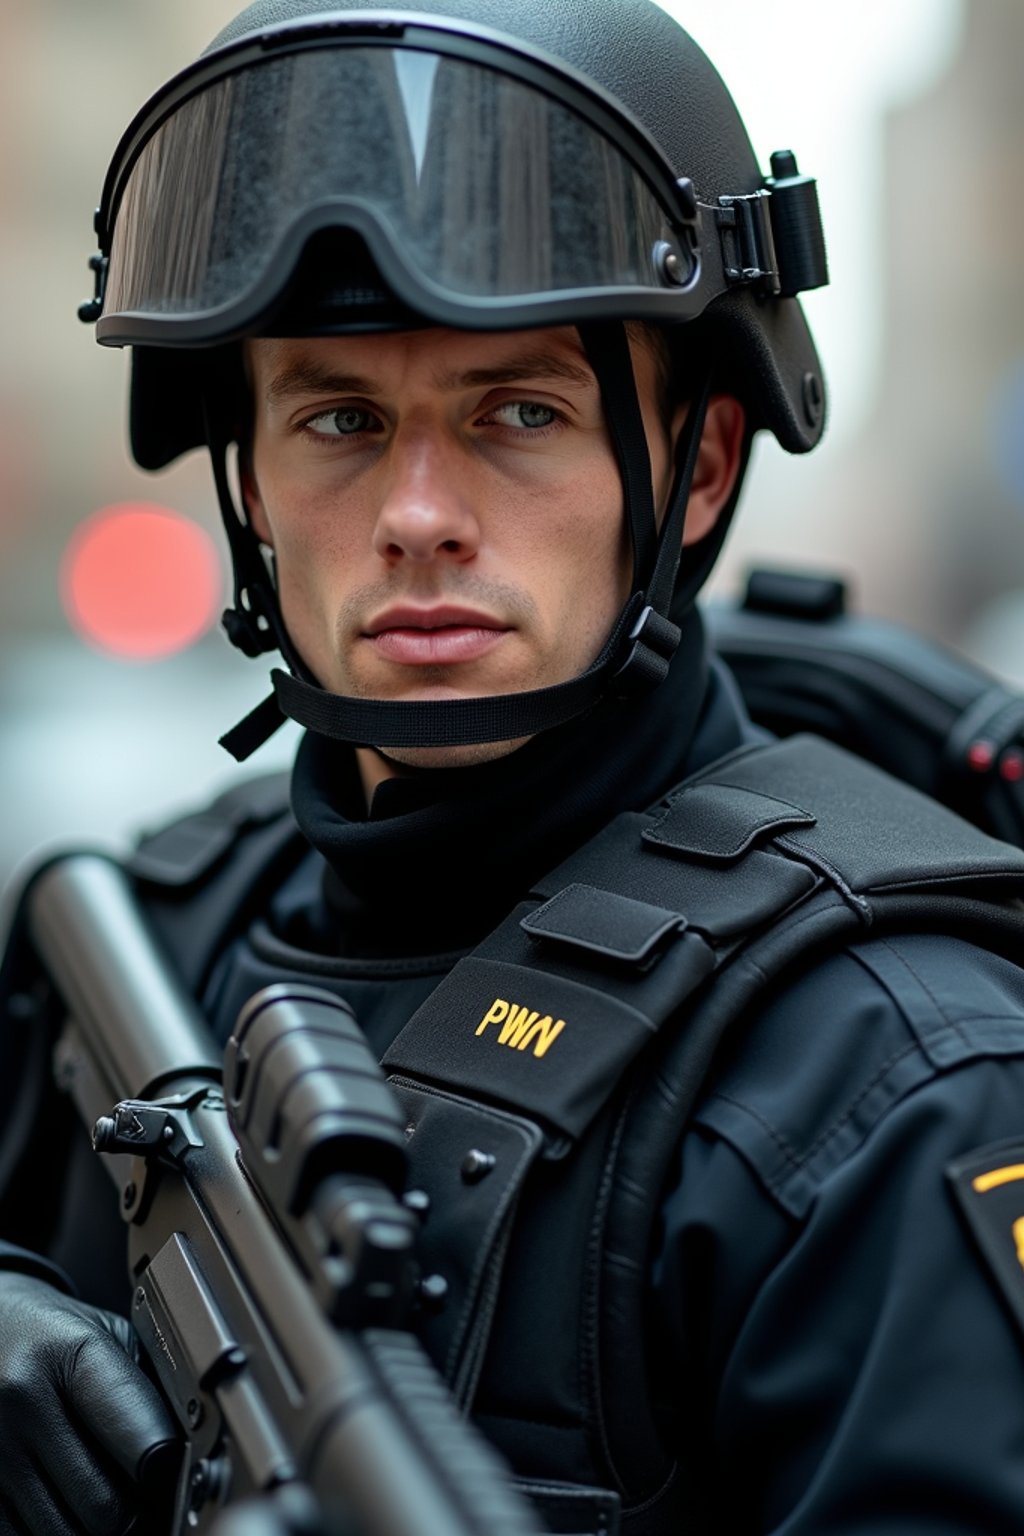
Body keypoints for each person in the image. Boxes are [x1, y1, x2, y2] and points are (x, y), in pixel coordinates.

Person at [4, 1, 1024, 1532]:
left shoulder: (891, 1085)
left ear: (699, 470)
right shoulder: (155, 921)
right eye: (340, 417)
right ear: (249, 486)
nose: (419, 512)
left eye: (520, 412)